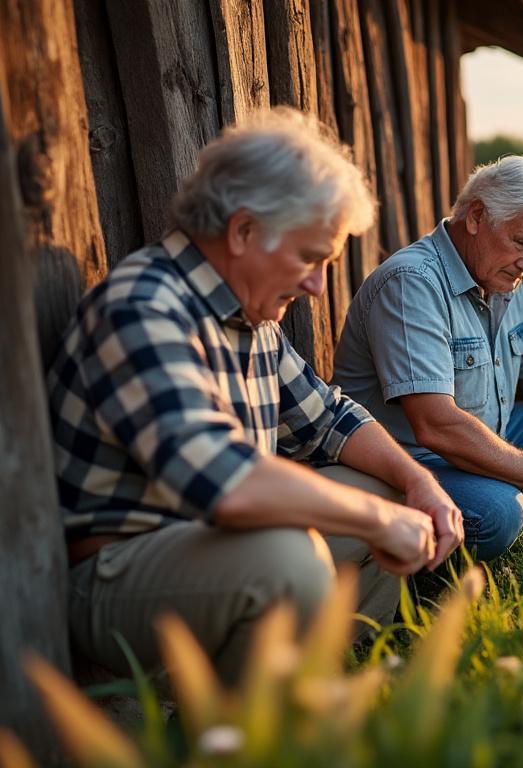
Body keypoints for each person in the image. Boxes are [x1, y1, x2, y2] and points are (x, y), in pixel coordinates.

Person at [50, 108, 463, 684]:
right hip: (117, 576)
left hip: (207, 546)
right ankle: (236, 728)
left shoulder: (247, 317)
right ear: (244, 231)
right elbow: (225, 485)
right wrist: (376, 520)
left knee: (385, 487)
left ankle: (328, 683)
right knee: (285, 560)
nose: (318, 285)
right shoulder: (144, 309)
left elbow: (332, 421)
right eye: (310, 257)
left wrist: (419, 485)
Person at [332, 156, 523, 561]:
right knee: (500, 512)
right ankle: (443, 580)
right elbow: (436, 427)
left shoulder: (503, 275)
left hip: (485, 434)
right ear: (476, 217)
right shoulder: (412, 284)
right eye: (522, 243)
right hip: (410, 463)